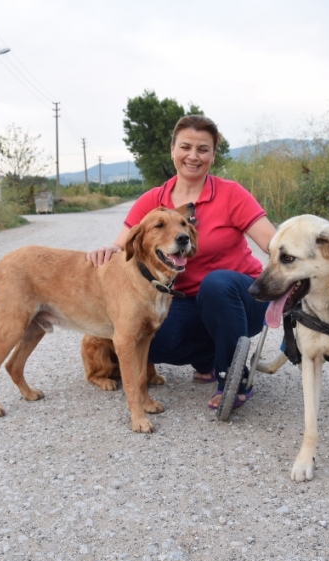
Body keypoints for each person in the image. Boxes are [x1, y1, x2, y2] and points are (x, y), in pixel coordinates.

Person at [87, 115, 275, 410]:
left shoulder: (231, 194)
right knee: (154, 339)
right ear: (172, 149)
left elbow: (272, 242)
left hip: (240, 298)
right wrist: (106, 250)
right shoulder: (153, 200)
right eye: (185, 147)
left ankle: (232, 380)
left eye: (203, 149)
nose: (193, 156)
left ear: (213, 155)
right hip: (186, 301)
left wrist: (299, 266)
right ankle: (210, 356)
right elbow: (122, 244)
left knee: (217, 284)